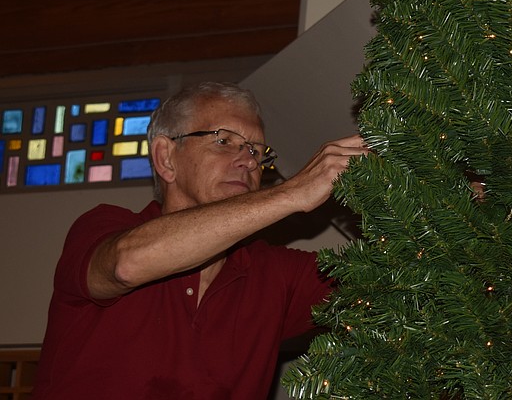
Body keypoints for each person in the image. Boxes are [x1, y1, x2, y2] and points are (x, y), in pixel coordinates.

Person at [32, 81, 368, 400]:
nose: (250, 161)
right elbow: (127, 265)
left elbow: (390, 281)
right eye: (224, 141)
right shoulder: (104, 226)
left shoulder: (276, 274)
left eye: (256, 150)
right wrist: (292, 193)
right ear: (166, 157)